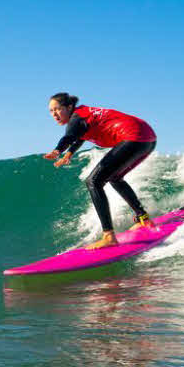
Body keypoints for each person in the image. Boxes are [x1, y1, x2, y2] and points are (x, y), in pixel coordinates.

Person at [43, 92, 157, 249]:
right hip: (147, 138)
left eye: (57, 109)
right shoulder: (83, 115)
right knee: (115, 177)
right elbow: (80, 136)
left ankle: (108, 236)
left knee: (93, 181)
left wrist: (58, 150)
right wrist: (69, 153)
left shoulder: (76, 118)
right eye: (51, 111)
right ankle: (144, 219)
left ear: (69, 107)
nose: (54, 114)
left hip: (133, 137)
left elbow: (70, 136)